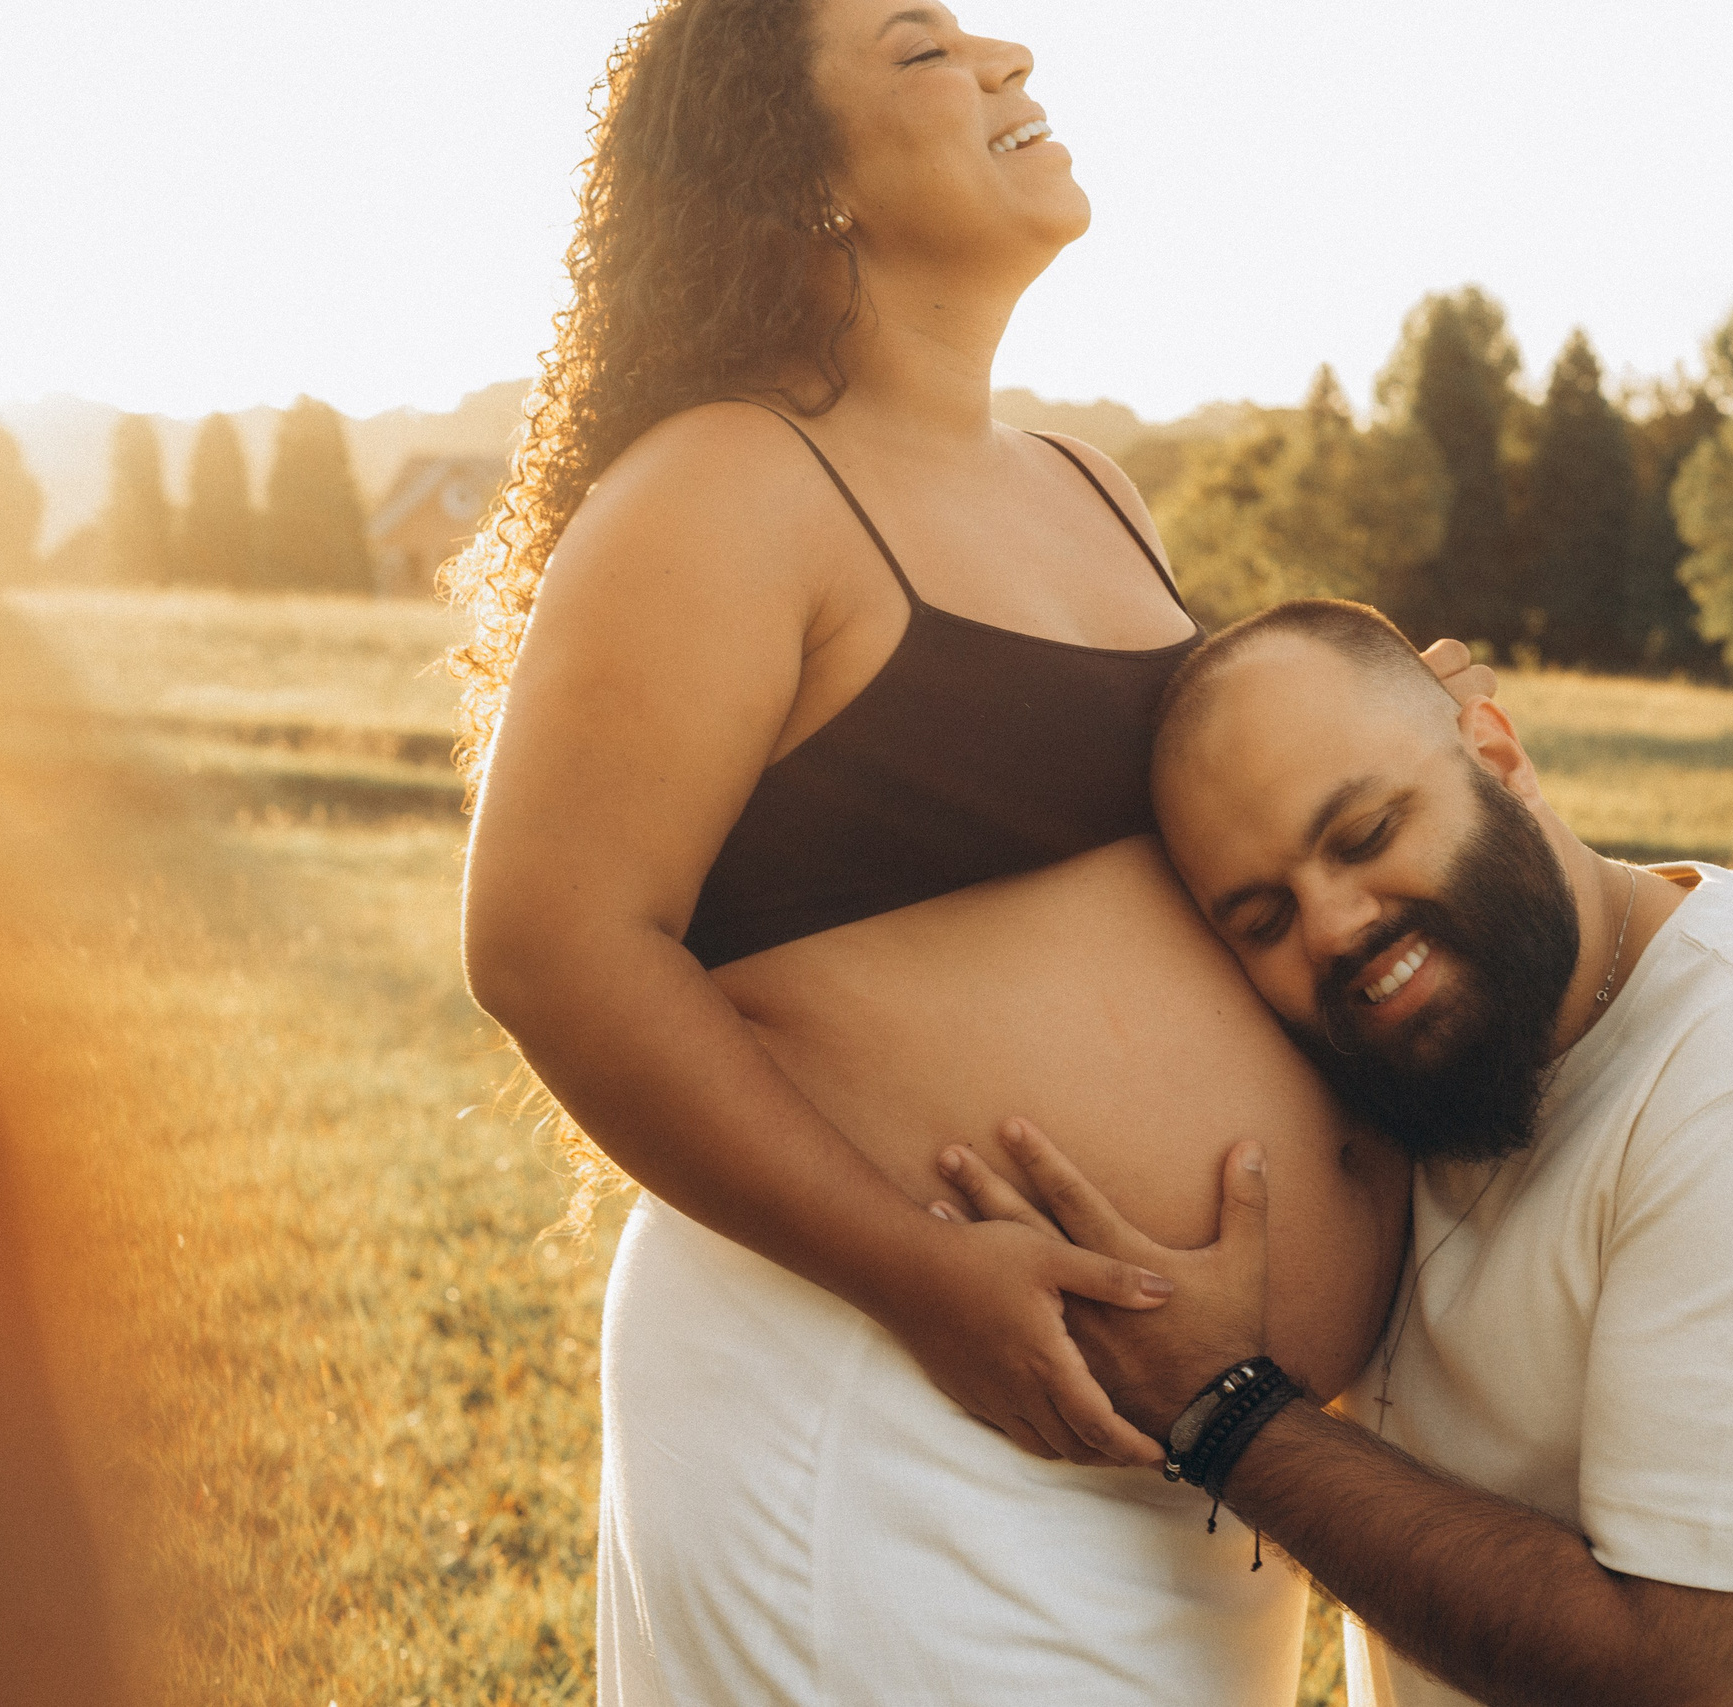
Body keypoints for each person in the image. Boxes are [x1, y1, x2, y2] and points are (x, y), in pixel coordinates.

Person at [452, 8, 1482, 1702]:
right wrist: (926, 1279)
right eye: (921, 46)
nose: (1007, 51)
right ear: (797, 178)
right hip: (895, 1413)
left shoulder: (1091, 487)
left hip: (1187, 1462)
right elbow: (553, 943)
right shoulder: (727, 484)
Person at [938, 600, 1733, 1707]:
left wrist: (1222, 1410)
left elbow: (1668, 1674)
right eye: (1262, 918)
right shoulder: (1437, 1073)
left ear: (1499, 756)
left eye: (1364, 832)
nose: (1337, 926)